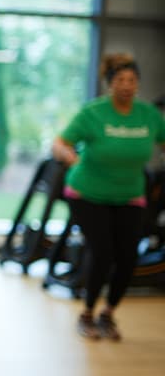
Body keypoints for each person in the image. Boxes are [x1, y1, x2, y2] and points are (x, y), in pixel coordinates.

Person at [52, 53, 165, 341]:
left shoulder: (149, 116)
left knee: (127, 257)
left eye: (132, 80)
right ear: (110, 83)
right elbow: (60, 143)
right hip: (88, 193)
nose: (126, 85)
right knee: (102, 252)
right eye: (120, 80)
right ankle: (87, 313)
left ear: (138, 83)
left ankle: (108, 313)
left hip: (129, 194)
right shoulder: (93, 113)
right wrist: (69, 156)